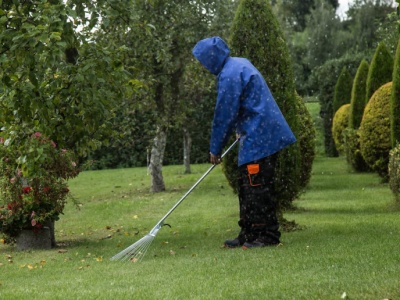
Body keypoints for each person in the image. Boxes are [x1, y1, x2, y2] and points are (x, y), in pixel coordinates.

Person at [192, 36, 296, 248]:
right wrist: (242, 127)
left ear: (211, 58)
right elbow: (249, 102)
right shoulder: (238, 64)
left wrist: (215, 148)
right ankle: (248, 233)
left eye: (202, 61)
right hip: (258, 132)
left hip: (261, 136)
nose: (203, 66)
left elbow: (224, 114)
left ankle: (267, 235)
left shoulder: (230, 75)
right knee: (246, 185)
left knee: (256, 186)